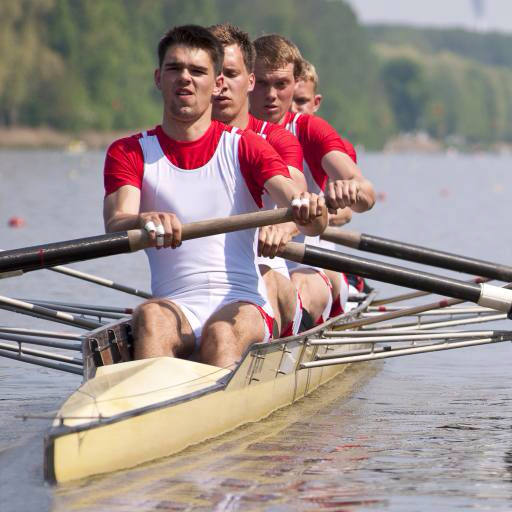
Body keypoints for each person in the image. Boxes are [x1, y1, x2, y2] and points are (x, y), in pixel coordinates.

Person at [103, 25, 327, 369]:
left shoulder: (246, 146)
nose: (185, 79)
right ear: (158, 78)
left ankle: (203, 408)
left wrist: (308, 207)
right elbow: (117, 223)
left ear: (216, 82)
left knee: (221, 334)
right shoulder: (129, 151)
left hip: (244, 303)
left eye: (197, 71)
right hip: (175, 306)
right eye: (174, 69)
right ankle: (150, 409)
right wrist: (142, 220)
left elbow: (297, 202)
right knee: (149, 315)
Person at [250, 34, 376, 323]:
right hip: (248, 264)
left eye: (280, 85)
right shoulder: (228, 133)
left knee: (299, 286)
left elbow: (365, 195)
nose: (271, 95)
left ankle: (292, 328)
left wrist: (350, 190)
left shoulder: (310, 130)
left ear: (294, 85)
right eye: (263, 83)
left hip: (308, 264)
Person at [209, 22, 306, 337]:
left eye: (230, 75)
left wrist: (283, 225)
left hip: (269, 272)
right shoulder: (170, 144)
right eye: (213, 73)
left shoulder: (275, 140)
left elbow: (297, 196)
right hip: (202, 283)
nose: (221, 84)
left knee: (264, 279)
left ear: (246, 81)